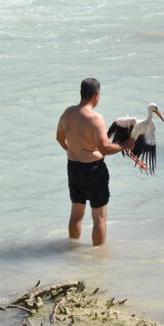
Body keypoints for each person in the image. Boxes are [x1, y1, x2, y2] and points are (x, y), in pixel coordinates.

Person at [56, 78, 134, 246]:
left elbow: (59, 137)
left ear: (81, 94)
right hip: (93, 170)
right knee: (99, 217)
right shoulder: (95, 118)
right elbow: (105, 148)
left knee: (76, 213)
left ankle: (73, 249)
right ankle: (98, 261)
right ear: (96, 95)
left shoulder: (67, 113)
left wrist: (72, 150)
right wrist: (123, 145)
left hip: (73, 168)